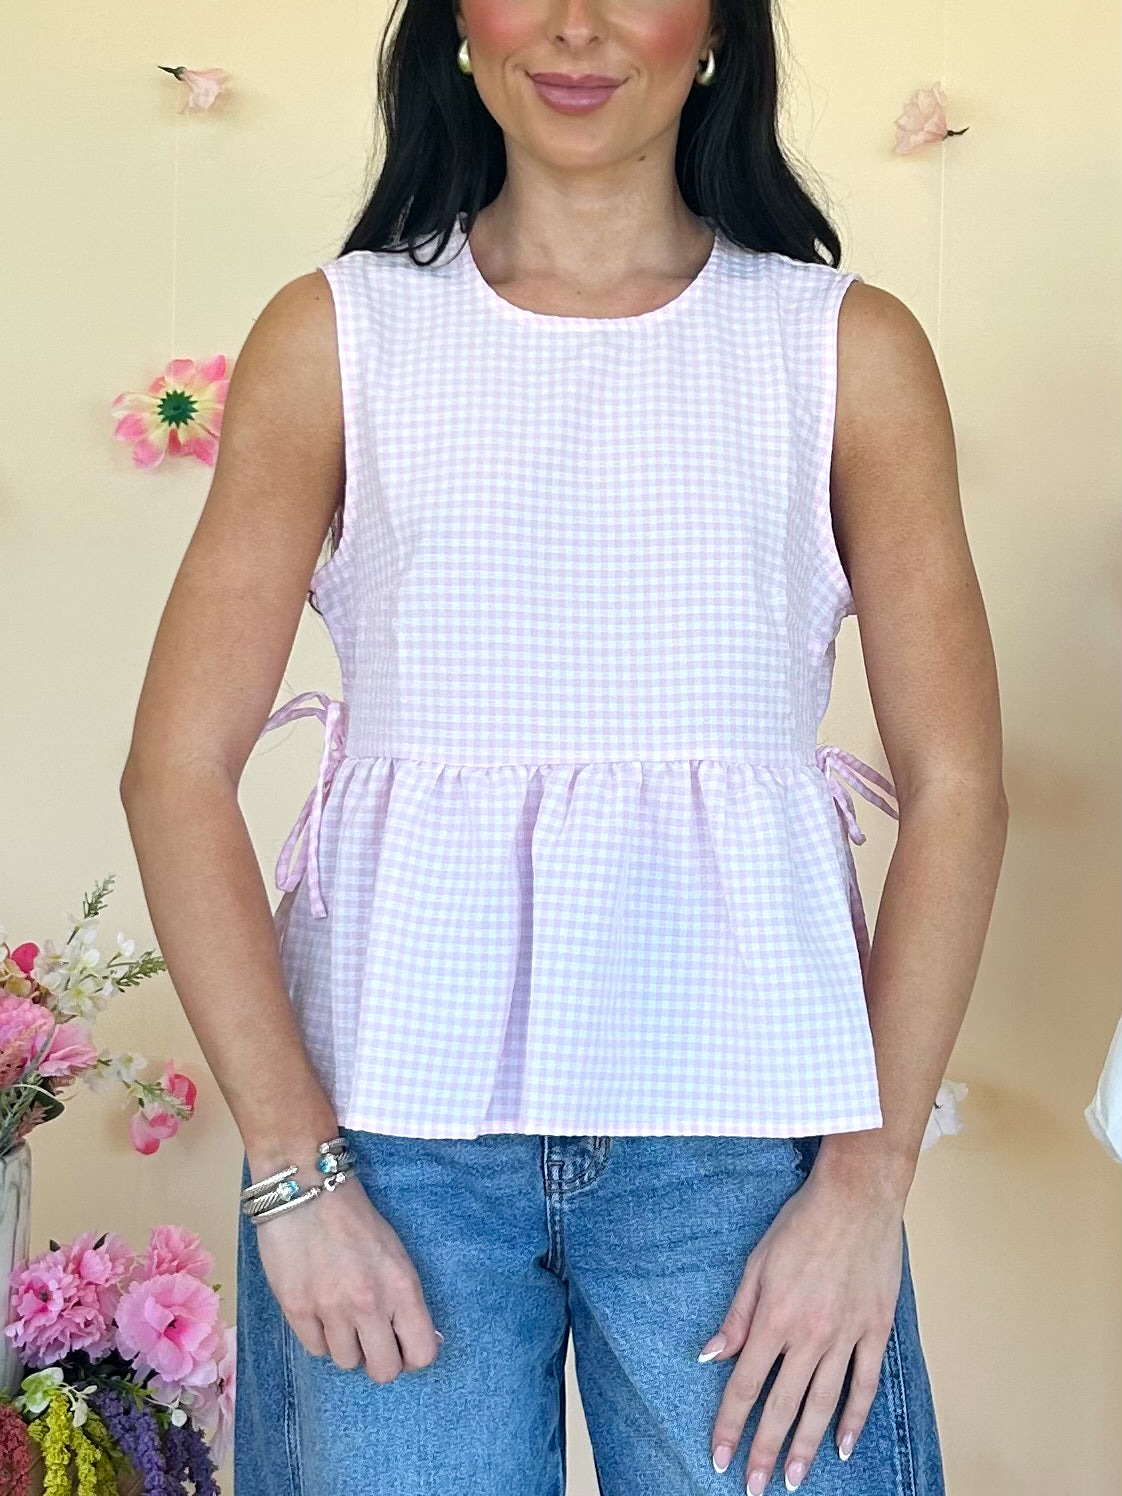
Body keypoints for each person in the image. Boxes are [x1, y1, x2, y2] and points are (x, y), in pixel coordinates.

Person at [119, 4, 1007, 1494]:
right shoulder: (337, 335)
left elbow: (960, 787)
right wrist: (291, 1173)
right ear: (457, 29)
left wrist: (867, 1184)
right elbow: (174, 774)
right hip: (381, 1146)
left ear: (713, 31)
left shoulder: (840, 347)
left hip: (749, 1145)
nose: (576, 25)